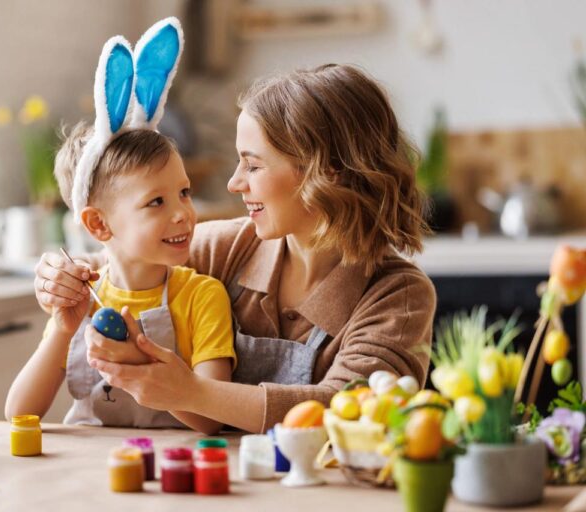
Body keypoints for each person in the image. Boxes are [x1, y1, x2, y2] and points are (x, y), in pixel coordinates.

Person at [35, 64, 437, 434]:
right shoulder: (227, 248)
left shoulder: (398, 297)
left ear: (326, 170)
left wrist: (190, 392)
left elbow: (348, 409)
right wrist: (62, 274)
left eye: (253, 165)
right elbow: (121, 262)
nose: (234, 183)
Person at [5, 18, 235, 434]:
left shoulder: (202, 296)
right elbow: (20, 412)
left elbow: (213, 419)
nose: (182, 212)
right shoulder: (82, 302)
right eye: (156, 202)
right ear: (98, 225)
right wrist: (62, 329)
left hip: (172, 471)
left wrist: (140, 368)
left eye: (184, 193)